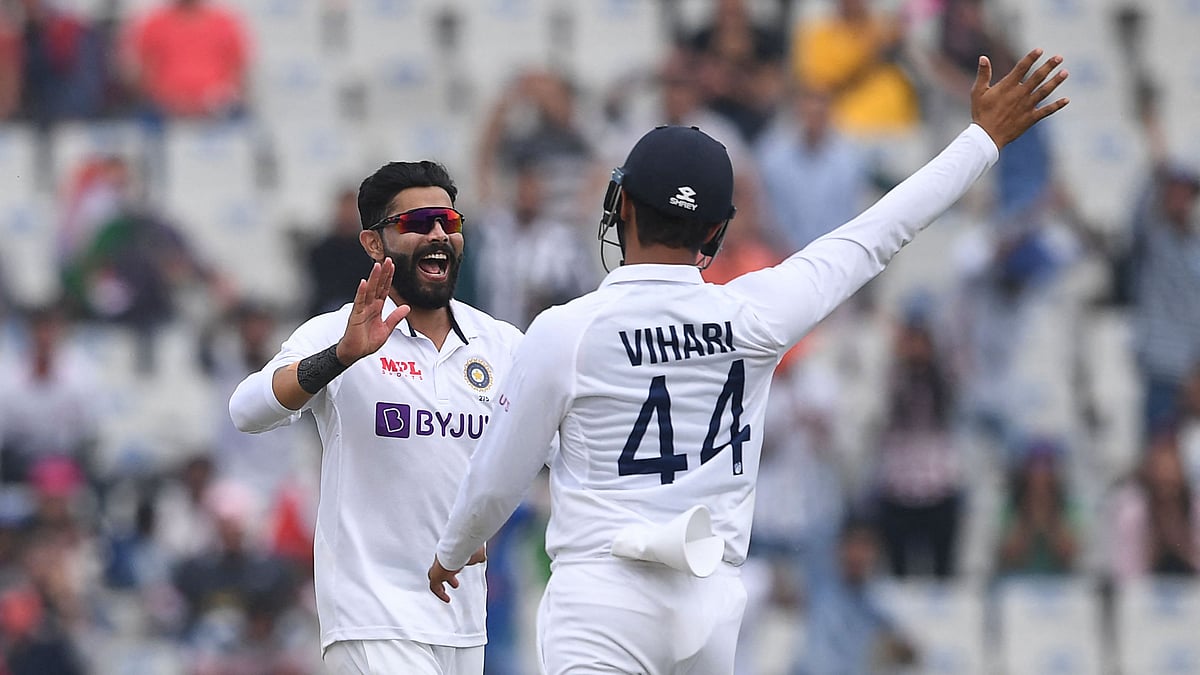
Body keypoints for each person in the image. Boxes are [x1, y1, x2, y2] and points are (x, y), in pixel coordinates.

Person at [429, 49, 1069, 673]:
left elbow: (495, 478)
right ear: (715, 233)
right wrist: (982, 139)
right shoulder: (756, 315)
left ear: (620, 206)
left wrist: (451, 552)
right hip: (710, 604)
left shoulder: (566, 330)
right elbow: (880, 231)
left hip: (604, 595)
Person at [229, 161, 526, 674]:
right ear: (373, 244)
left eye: (447, 223)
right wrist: (339, 358)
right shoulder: (339, 332)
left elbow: (541, 452)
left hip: (462, 619)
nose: (437, 235)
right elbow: (246, 410)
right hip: (372, 616)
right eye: (416, 224)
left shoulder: (501, 344)